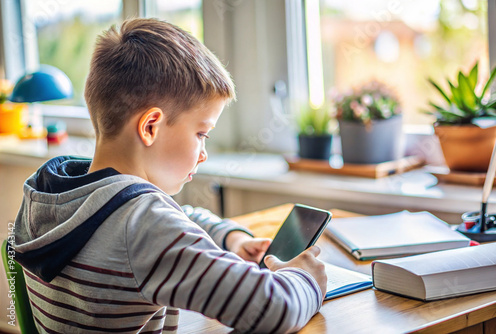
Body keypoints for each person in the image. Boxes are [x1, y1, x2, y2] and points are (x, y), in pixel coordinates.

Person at [12, 18, 326, 333]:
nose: (203, 153)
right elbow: (274, 309)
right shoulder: (145, 226)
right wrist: (306, 278)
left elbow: (175, 218)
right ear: (150, 126)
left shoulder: (48, 193)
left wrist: (230, 238)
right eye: (202, 133)